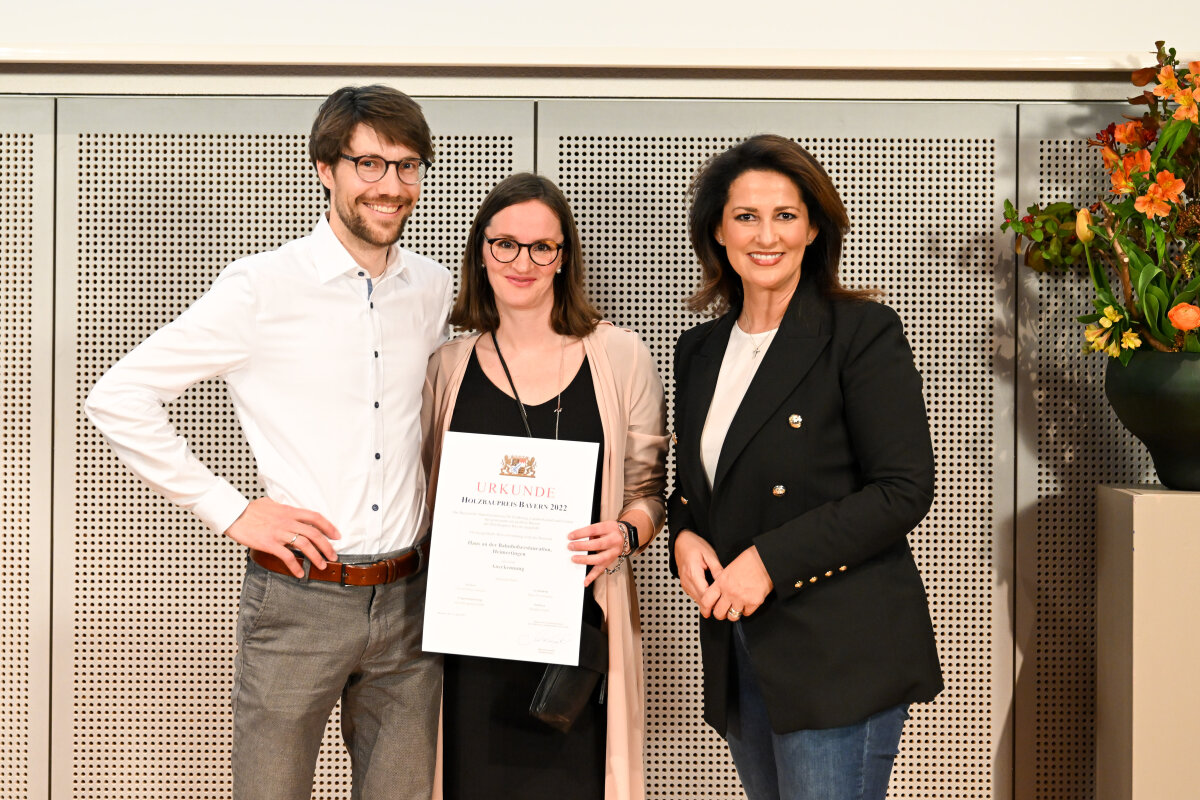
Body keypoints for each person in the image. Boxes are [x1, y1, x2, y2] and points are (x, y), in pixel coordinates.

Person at [83, 85, 453, 800]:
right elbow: (119, 396)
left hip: (413, 602)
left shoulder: (433, 288)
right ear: (326, 168)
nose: (392, 186)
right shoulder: (260, 286)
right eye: (369, 165)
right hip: (298, 599)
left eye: (408, 167)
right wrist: (232, 510)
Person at [667, 134, 942, 800]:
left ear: (814, 228)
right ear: (718, 232)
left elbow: (903, 490)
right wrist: (683, 533)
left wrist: (768, 561)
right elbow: (702, 483)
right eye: (747, 216)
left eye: (786, 215)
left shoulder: (860, 332)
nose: (768, 235)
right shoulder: (699, 349)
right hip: (742, 648)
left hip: (838, 651)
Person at [422, 172, 668, 800]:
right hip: (468, 649)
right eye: (505, 244)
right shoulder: (446, 367)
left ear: (564, 258)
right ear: (481, 252)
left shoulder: (619, 356)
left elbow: (649, 494)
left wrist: (625, 533)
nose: (522, 262)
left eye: (542, 247)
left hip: (576, 649)